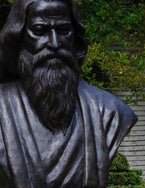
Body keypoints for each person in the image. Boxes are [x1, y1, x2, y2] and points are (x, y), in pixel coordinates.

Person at [0, 0, 137, 187]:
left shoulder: (110, 111)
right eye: (40, 31)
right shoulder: (3, 108)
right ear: (18, 36)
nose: (55, 43)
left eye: (64, 31)